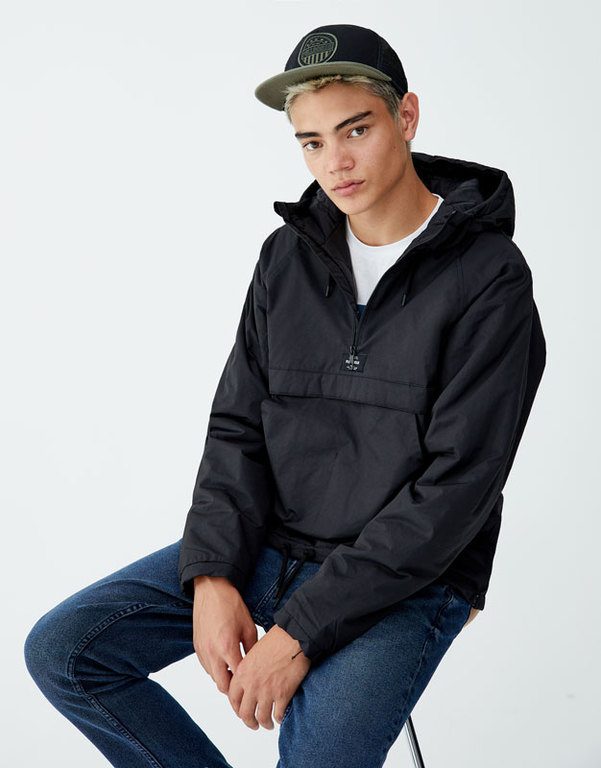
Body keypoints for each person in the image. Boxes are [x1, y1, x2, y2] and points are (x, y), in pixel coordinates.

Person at [24, 23, 547, 768]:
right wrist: (211, 573)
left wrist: (299, 630)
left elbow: (455, 490)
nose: (335, 162)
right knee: (66, 652)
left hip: (407, 582)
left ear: (405, 117)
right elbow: (237, 426)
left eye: (355, 130)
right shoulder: (287, 257)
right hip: (273, 545)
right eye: (311, 142)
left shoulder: (490, 277)